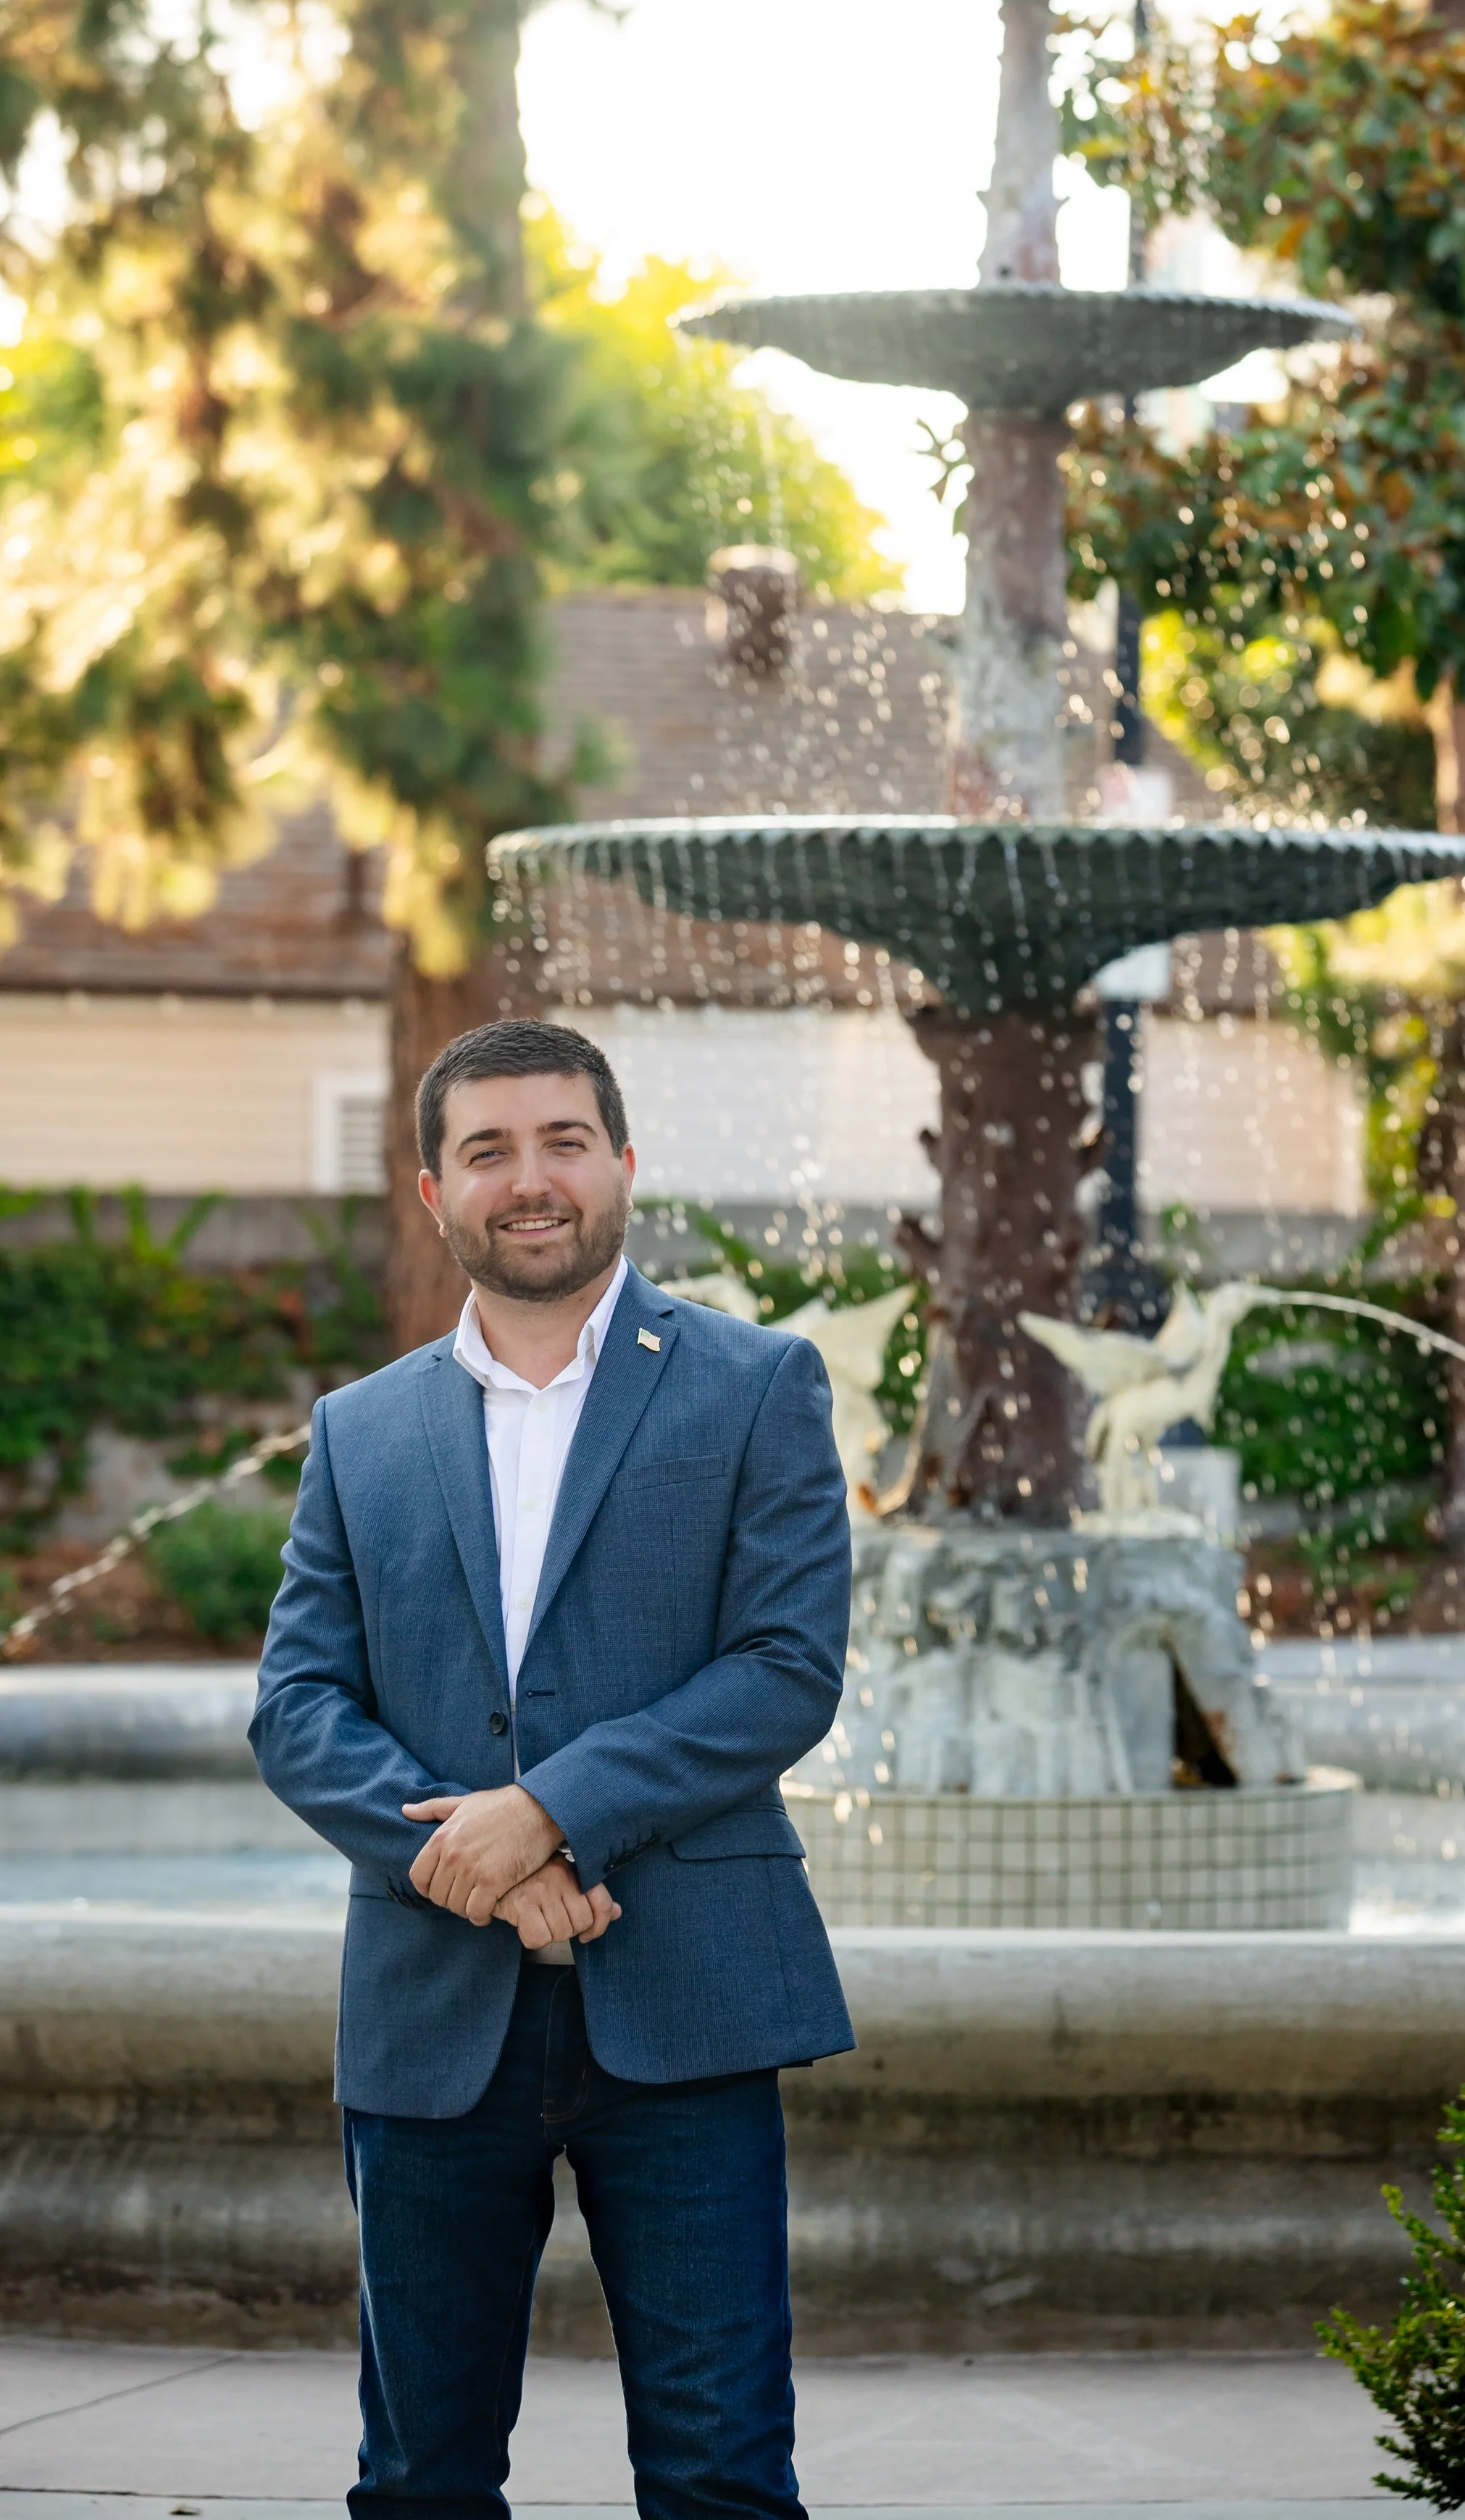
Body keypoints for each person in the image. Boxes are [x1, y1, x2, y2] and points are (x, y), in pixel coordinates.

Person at [251, 1018, 854, 2520]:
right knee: (418, 2476)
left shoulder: (756, 1383)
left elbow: (785, 1669)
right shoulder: (361, 1430)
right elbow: (297, 1703)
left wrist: (553, 1813)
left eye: (563, 1141)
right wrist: (478, 1869)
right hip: (429, 2020)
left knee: (721, 2470)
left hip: (689, 2005)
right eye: (488, 1152)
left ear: (623, 1164)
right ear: (431, 1191)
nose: (532, 1180)